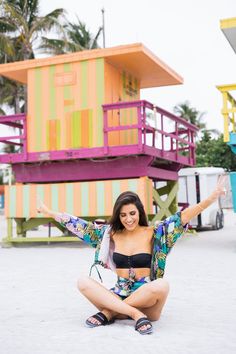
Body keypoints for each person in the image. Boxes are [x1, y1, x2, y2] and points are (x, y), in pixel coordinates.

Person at [37, 176, 226, 335]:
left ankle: (110, 313)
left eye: (132, 213)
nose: (128, 219)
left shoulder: (155, 233)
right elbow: (80, 226)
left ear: (140, 212)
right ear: (118, 216)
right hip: (117, 295)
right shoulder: (109, 234)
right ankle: (134, 315)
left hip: (147, 304)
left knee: (161, 285)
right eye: (123, 215)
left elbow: (183, 217)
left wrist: (212, 197)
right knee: (82, 282)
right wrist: (50, 213)